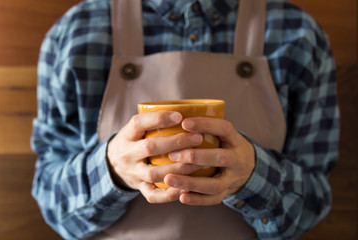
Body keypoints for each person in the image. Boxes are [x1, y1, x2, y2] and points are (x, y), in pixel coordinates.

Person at [31, 0, 340, 239]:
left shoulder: (298, 35)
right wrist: (110, 171)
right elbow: (51, 198)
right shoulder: (75, 34)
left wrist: (255, 175)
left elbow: (313, 200)